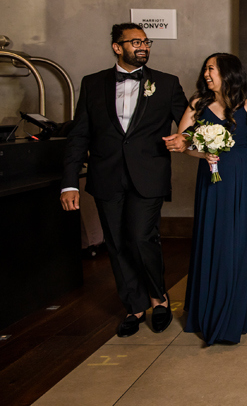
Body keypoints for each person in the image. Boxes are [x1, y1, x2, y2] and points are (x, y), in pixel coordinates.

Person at [61, 22, 187, 337]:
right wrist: (69, 182)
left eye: (146, 42)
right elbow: (79, 135)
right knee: (117, 243)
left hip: (149, 175)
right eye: (135, 42)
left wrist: (189, 140)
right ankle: (134, 305)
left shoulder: (167, 83)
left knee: (142, 237)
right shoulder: (92, 84)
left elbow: (189, 123)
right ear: (117, 47)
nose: (143, 46)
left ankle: (159, 299)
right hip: (107, 176)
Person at [172, 53, 247, 345]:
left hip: (243, 180)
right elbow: (182, 142)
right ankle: (210, 314)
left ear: (228, 73)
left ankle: (235, 314)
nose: (206, 74)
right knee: (215, 241)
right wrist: (202, 151)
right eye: (206, 70)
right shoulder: (197, 104)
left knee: (237, 244)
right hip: (213, 181)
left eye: (212, 69)